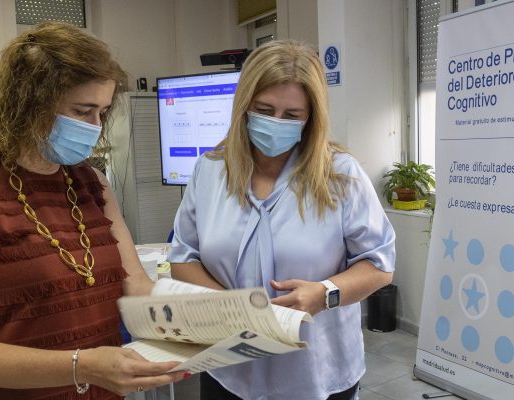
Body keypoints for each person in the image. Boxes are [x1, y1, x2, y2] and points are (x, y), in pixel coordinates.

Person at [0, 22, 186, 399]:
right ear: (29, 105)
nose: (95, 127)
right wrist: (83, 365)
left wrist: (227, 315)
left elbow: (138, 287)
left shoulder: (94, 184)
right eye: (83, 111)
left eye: (102, 112)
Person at [168, 39, 397, 400]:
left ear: (311, 118)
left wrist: (325, 294)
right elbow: (183, 258)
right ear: (244, 105)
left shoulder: (341, 176)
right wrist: (234, 308)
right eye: (264, 109)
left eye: (291, 115)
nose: (276, 123)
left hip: (314, 373)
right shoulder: (210, 171)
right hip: (228, 367)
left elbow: (380, 265)